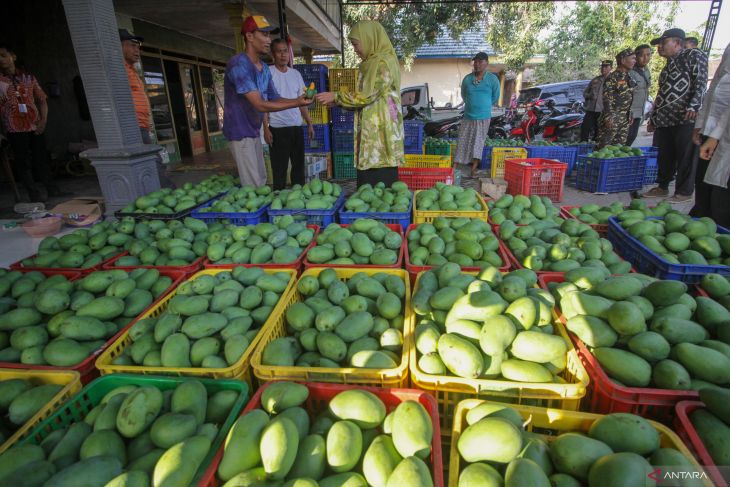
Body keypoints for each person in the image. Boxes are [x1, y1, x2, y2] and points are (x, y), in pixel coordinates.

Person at [223, 16, 311, 187]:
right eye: (264, 35)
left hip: (253, 131)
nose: (268, 40)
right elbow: (260, 104)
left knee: (261, 180)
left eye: (269, 35)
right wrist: (296, 103)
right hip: (240, 132)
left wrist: (299, 100)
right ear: (249, 37)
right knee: (253, 185)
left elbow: (274, 97)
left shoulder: (263, 68)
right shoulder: (239, 65)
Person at [314, 21, 404, 186]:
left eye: (356, 44)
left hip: (381, 133)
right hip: (370, 132)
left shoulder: (384, 63)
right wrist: (338, 102)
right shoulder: (369, 64)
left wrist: (336, 96)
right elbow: (364, 99)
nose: (355, 50)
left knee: (383, 184)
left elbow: (367, 95)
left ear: (369, 39)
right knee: (367, 185)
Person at [643, 28, 708, 202]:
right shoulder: (667, 67)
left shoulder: (694, 55)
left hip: (685, 117)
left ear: (677, 43)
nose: (660, 48)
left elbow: (701, 82)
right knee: (665, 155)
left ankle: (684, 192)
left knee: (685, 155)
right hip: (665, 119)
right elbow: (661, 94)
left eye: (663, 43)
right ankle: (662, 186)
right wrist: (653, 117)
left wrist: (694, 106)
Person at [0, 44, 65, 202]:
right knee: (23, 162)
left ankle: (52, 189)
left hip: (35, 125)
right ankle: (34, 195)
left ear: (13, 56)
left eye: (3, 55)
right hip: (14, 127)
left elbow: (42, 100)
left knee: (41, 158)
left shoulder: (28, 77)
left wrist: (44, 120)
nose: (0, 60)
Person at [120, 29, 174, 188]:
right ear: (118, 47)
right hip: (131, 127)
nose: (137, 50)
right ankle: (168, 193)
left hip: (140, 126)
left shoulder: (131, 69)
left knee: (152, 161)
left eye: (138, 46)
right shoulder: (118, 70)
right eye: (131, 45)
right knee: (153, 162)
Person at [263, 38, 314, 190]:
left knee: (298, 167)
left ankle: (298, 196)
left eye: (285, 51)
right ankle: (278, 198)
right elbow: (264, 103)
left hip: (296, 128)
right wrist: (266, 128)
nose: (283, 54)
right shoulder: (268, 73)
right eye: (279, 51)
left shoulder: (295, 74)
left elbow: (302, 102)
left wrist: (309, 123)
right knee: (279, 168)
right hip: (277, 128)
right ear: (273, 55)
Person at [690, 42, 730, 227]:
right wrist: (704, 124)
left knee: (721, 201)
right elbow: (714, 87)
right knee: (705, 190)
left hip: (720, 134)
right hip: (714, 129)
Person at [452, 52, 500, 177]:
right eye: (475, 61)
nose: (477, 64)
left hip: (483, 117)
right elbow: (464, 95)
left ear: (486, 63)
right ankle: (455, 167)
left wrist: (483, 106)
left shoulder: (492, 79)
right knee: (462, 141)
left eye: (480, 61)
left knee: (478, 143)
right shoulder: (467, 79)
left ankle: (473, 170)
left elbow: (495, 97)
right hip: (468, 116)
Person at [598, 49, 637, 148]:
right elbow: (607, 99)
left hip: (625, 119)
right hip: (612, 118)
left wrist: (631, 113)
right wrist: (608, 117)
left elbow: (630, 97)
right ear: (623, 60)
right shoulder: (612, 78)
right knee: (604, 148)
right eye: (632, 58)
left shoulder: (629, 78)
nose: (635, 61)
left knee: (618, 148)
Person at [580, 61, 613, 142]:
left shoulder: (613, 80)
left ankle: (596, 147)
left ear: (611, 68)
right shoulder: (595, 80)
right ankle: (583, 145)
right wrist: (590, 96)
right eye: (602, 67)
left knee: (599, 131)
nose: (603, 68)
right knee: (585, 128)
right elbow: (585, 93)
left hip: (603, 111)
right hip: (591, 109)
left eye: (606, 67)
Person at [626, 44, 652, 146]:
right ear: (636, 56)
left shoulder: (646, 70)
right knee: (624, 140)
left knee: (632, 137)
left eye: (648, 55)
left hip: (640, 111)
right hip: (629, 112)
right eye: (642, 55)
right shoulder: (630, 72)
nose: (645, 58)